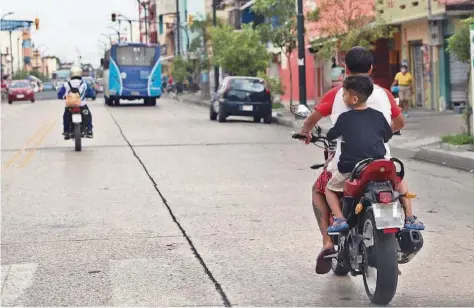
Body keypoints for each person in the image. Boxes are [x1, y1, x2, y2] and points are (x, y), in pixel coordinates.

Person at [299, 46, 423, 275]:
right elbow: (398, 123)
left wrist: (306, 131)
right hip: (381, 162)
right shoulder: (384, 94)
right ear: (371, 69)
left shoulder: (337, 94)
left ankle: (328, 241)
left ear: (345, 68)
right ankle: (409, 217)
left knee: (320, 189)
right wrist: (384, 132)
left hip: (348, 165)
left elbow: (313, 119)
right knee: (399, 182)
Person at [324, 75, 394, 232]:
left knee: (329, 189)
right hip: (377, 166)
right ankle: (409, 217)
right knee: (397, 185)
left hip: (352, 169)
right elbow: (387, 136)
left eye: (344, 94)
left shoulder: (344, 118)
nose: (342, 97)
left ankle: (340, 220)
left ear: (354, 99)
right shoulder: (378, 116)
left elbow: (331, 135)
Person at [57, 66, 95, 139]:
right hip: (82, 105)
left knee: (65, 117)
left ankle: (66, 132)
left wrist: (63, 97)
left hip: (70, 106)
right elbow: (92, 94)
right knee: (88, 116)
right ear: (80, 74)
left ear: (71, 74)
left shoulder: (66, 84)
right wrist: (89, 96)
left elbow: (59, 94)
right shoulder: (84, 84)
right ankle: (89, 131)